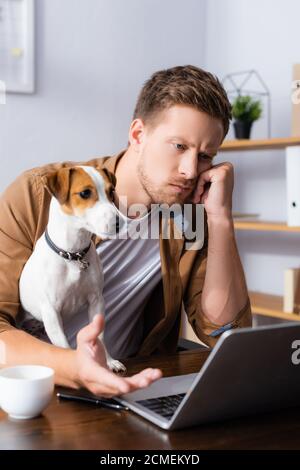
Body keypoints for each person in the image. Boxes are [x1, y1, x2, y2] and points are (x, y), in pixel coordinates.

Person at [0, 65, 251, 398]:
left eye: (205, 156)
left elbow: (224, 333)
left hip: (129, 390)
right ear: (137, 135)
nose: (191, 171)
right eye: (178, 146)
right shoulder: (40, 194)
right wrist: (73, 367)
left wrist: (220, 218)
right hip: (37, 394)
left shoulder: (191, 217)